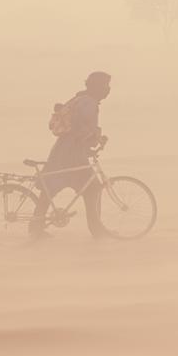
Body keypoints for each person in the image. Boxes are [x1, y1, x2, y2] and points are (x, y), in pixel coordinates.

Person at [31, 71, 111, 239]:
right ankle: (97, 229)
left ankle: (35, 228)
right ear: (96, 87)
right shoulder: (89, 103)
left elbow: (74, 129)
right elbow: (80, 130)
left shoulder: (79, 99)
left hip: (61, 152)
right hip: (72, 156)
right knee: (93, 188)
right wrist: (96, 138)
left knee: (49, 189)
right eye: (105, 85)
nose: (107, 89)